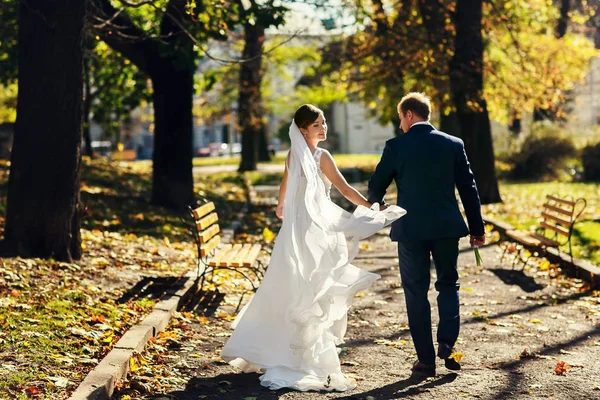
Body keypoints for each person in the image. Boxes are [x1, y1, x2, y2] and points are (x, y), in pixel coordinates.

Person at [220, 104, 406, 391]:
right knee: (302, 285)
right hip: (308, 229)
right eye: (318, 124)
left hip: (302, 228)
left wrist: (282, 204)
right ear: (303, 129)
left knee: (296, 283)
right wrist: (370, 206)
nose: (324, 128)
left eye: (324, 123)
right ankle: (296, 353)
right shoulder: (320, 156)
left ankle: (287, 349)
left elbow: (296, 182)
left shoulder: (297, 154)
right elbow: (341, 189)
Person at [368, 92, 485, 377]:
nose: (400, 125)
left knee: (415, 292)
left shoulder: (396, 146)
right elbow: (468, 189)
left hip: (410, 230)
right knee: (449, 284)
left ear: (409, 114)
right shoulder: (453, 144)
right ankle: (447, 343)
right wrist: (477, 230)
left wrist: (381, 205)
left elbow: (375, 186)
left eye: (400, 119)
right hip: (446, 228)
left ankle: (426, 360)